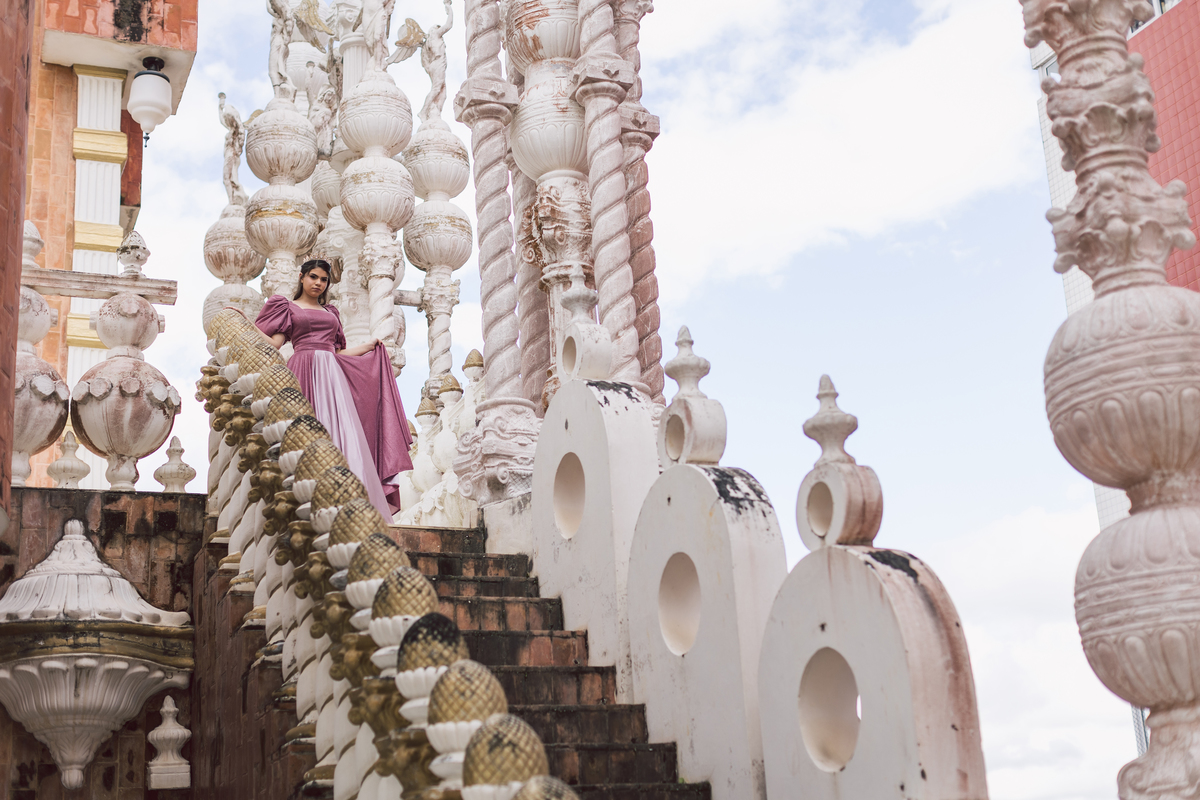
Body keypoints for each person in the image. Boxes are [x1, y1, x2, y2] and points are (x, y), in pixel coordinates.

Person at [255, 259, 413, 515]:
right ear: (301, 277)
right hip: (303, 368)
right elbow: (274, 344)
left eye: (323, 279)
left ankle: (346, 501)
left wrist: (369, 347)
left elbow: (339, 351)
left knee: (339, 431)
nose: (318, 283)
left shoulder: (331, 312)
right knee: (306, 428)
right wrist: (247, 325)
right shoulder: (287, 307)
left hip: (332, 373)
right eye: (313, 277)